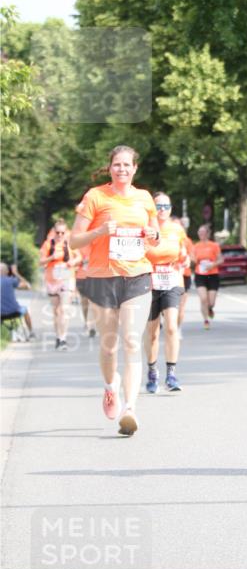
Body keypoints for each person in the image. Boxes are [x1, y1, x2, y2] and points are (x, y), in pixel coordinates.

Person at [70, 145, 159, 436]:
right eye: (117, 165)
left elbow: (155, 237)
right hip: (101, 277)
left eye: (127, 165)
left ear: (135, 169)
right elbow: (74, 241)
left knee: (132, 341)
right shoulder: (95, 197)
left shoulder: (145, 198)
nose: (122, 169)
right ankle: (111, 388)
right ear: (110, 168)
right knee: (110, 344)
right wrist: (99, 232)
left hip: (137, 274)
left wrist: (153, 234)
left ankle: (130, 408)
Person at [144, 192, 188, 393]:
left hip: (171, 279)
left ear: (171, 209)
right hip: (149, 281)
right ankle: (152, 371)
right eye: (158, 206)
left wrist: (185, 260)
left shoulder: (177, 229)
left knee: (171, 327)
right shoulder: (145, 229)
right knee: (152, 332)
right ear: (153, 208)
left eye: (166, 206)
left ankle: (171, 374)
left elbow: (183, 252)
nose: (162, 210)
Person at [39, 219, 81, 350]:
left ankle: (63, 338)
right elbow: (40, 262)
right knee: (56, 311)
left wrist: (72, 262)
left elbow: (79, 257)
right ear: (54, 232)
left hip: (66, 279)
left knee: (64, 310)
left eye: (63, 233)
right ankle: (58, 337)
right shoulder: (48, 244)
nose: (60, 235)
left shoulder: (70, 244)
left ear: (66, 232)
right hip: (52, 280)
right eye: (58, 232)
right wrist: (52, 257)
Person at [191, 225, 222, 329]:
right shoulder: (196, 246)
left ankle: (210, 308)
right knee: (203, 299)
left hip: (213, 274)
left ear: (208, 234)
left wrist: (212, 265)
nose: (201, 235)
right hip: (200, 275)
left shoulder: (214, 245)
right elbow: (193, 260)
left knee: (211, 302)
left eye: (203, 233)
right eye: (199, 233)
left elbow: (221, 260)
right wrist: (192, 260)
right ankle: (206, 320)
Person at [1, 262, 36, 338]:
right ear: (7, 272)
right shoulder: (11, 280)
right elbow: (28, 286)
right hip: (14, 312)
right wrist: (16, 273)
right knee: (25, 310)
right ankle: (31, 332)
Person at [173, 216, 193, 331]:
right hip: (166, 276)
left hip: (184, 276)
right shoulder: (163, 236)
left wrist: (187, 259)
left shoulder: (187, 240)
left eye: (178, 225)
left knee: (180, 306)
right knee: (166, 306)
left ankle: (177, 329)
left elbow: (193, 257)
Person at [75, 243, 96, 337]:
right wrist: (83, 261)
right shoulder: (80, 244)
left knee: (93, 302)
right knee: (85, 301)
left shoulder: (97, 243)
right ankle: (86, 322)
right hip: (82, 277)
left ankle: (91, 326)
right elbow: (72, 259)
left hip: (96, 276)